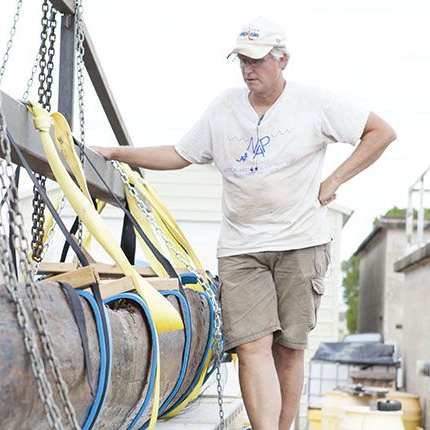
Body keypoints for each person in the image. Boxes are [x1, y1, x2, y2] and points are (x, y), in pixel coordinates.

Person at [92, 16, 396, 430]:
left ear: (282, 59)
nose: (248, 69)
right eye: (241, 61)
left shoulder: (315, 103)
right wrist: (114, 152)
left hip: (301, 241)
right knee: (252, 346)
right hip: (241, 247)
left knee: (288, 349)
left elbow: (381, 132)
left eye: (256, 60)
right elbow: (179, 153)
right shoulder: (223, 108)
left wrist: (335, 179)